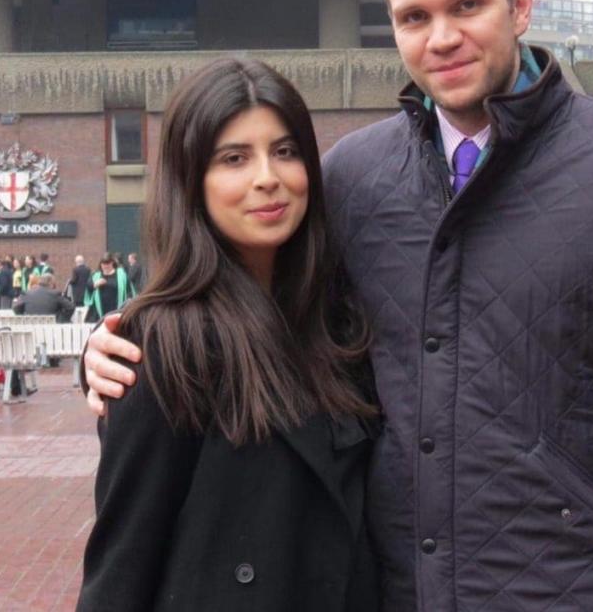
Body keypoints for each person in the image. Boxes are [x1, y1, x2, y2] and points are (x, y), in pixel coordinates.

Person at [83, 0, 593, 609]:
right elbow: (264, 314)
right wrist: (117, 349)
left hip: (582, 589)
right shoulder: (354, 178)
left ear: (520, 6)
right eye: (414, 17)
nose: (442, 38)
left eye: (466, 5)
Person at [77, 58, 378, 611]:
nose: (268, 176)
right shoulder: (166, 345)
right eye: (234, 158)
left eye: (285, 152)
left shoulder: (339, 321)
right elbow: (122, 561)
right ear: (192, 182)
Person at [84, 255, 133, 320]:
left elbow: (129, 290)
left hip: (117, 307)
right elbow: (88, 288)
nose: (105, 266)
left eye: (108, 263)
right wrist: (95, 284)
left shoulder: (121, 274)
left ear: (112, 263)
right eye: (103, 264)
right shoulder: (96, 275)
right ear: (101, 264)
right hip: (100, 311)